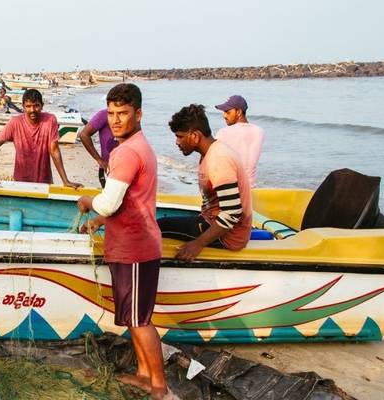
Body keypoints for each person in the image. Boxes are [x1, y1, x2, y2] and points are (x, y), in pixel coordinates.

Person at [76, 84, 176, 400]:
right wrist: (98, 221)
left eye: (123, 113)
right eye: (111, 113)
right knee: (132, 317)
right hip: (130, 243)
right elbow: (126, 202)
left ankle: (159, 385)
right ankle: (144, 374)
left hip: (136, 247)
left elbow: (108, 203)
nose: (116, 120)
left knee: (140, 320)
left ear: (138, 114)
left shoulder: (128, 152)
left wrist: (88, 202)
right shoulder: (132, 147)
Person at [159, 104, 252, 262]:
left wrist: (198, 244)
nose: (176, 142)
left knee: (156, 227)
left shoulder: (218, 159)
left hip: (228, 237)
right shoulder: (211, 152)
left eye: (180, 136)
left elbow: (233, 212)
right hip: (212, 221)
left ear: (195, 136)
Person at [0, 89, 82, 189]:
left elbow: (54, 151)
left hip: (44, 182)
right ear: (23, 107)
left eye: (36, 105)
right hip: (20, 182)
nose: (32, 110)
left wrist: (65, 181)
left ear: (42, 105)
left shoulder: (50, 120)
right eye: (28, 106)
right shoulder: (15, 123)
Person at [214, 95, 265, 187]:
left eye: (227, 112)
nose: (224, 116)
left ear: (239, 112)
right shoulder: (259, 131)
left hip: (229, 188)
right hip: (249, 187)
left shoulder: (223, 133)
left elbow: (215, 163)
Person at [78, 108, 119, 187]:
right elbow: (84, 135)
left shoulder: (131, 116)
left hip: (127, 168)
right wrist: (99, 160)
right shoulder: (104, 114)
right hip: (107, 169)